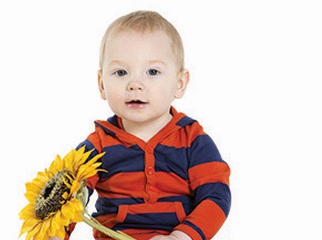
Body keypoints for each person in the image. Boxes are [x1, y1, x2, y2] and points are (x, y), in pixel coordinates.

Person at [58, 10, 231, 240]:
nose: (135, 84)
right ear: (101, 84)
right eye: (121, 72)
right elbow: (68, 194)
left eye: (152, 72)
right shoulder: (98, 145)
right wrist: (56, 232)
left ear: (180, 83)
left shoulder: (193, 140)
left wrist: (181, 237)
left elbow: (216, 196)